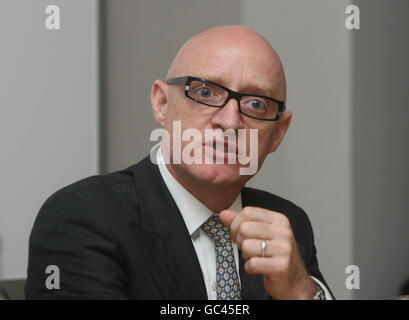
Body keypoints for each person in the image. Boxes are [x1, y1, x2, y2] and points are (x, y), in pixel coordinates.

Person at [25, 25, 333, 300]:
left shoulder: (288, 223)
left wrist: (301, 293)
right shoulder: (83, 218)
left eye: (256, 103)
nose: (230, 122)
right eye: (205, 92)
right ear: (162, 105)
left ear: (278, 133)